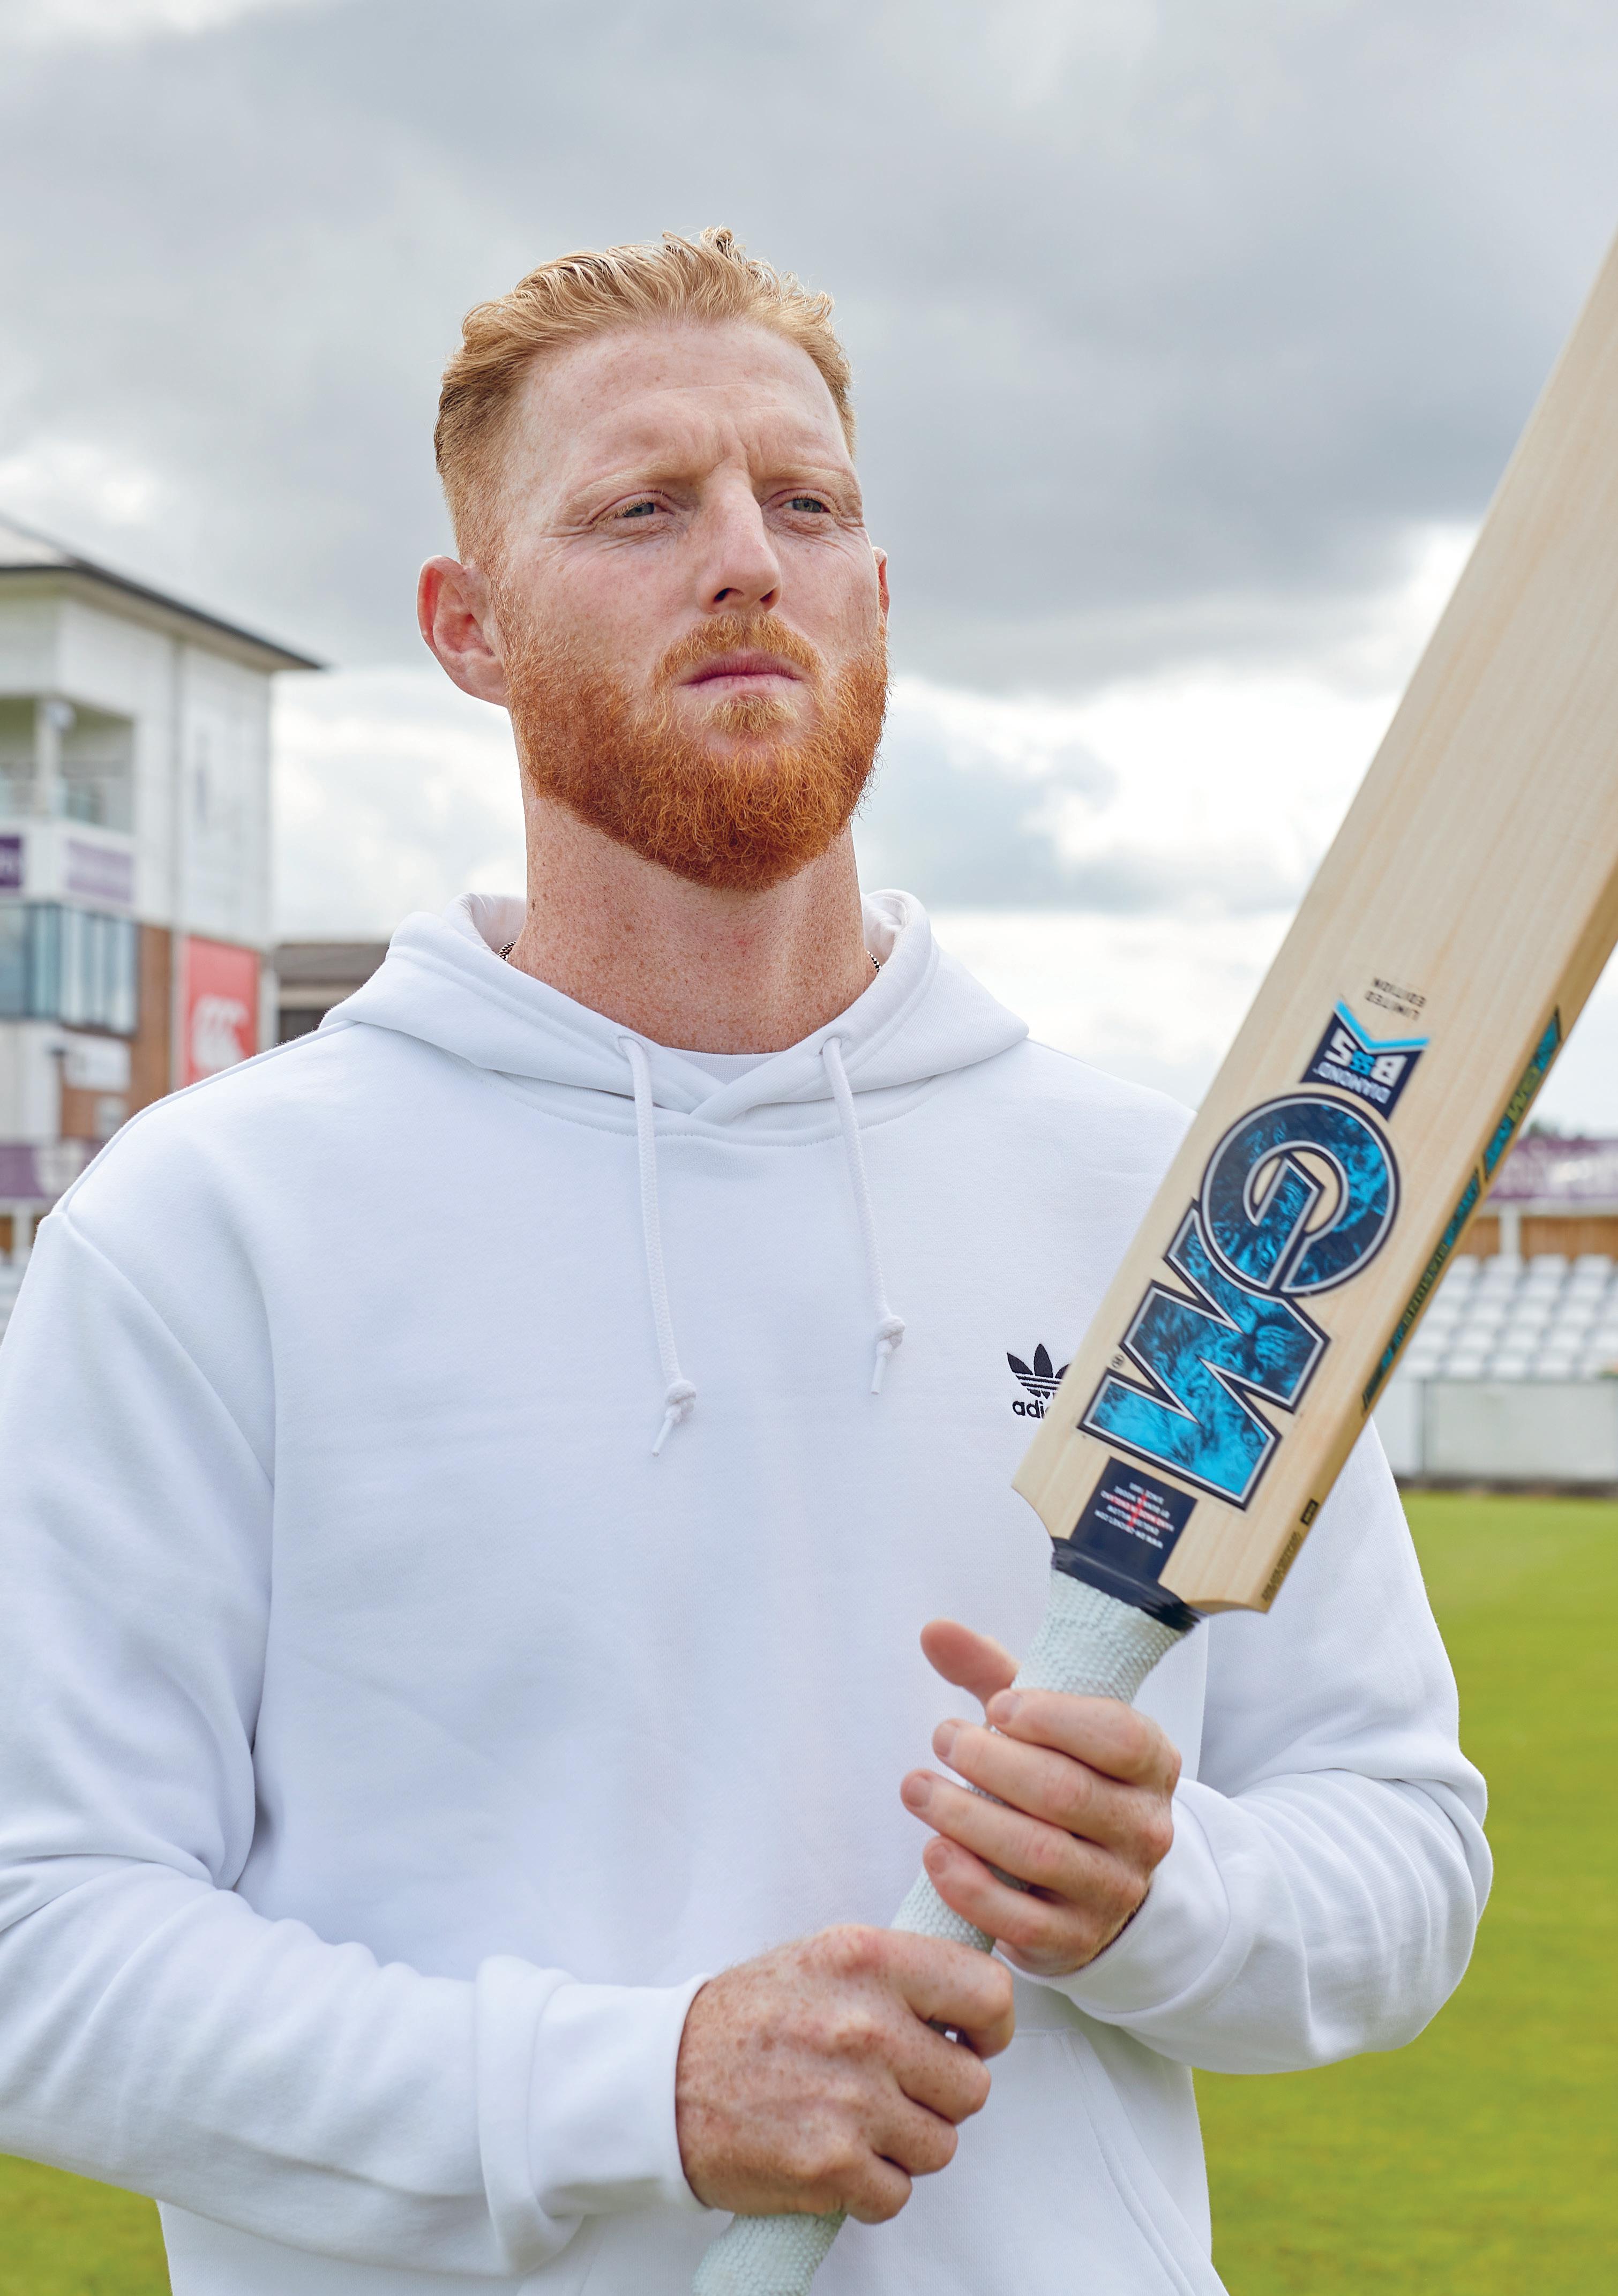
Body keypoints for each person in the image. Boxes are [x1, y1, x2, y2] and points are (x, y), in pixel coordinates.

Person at [0, 229, 1488, 2296]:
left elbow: (1399, 1856)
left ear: (878, 590)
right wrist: (639, 2094)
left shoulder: (1172, 1203)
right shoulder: (213, 1226)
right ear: (467, 627)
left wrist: (1165, 1892)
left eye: (804, 503)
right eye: (640, 509)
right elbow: (43, 1948)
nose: (742, 560)